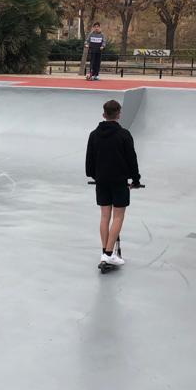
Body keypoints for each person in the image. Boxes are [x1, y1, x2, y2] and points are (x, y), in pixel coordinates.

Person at [86, 99, 140, 267]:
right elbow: (132, 159)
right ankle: (109, 253)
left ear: (104, 115)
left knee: (104, 216)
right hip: (119, 181)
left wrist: (95, 176)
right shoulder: (124, 134)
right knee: (118, 216)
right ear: (119, 114)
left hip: (101, 181)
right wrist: (136, 179)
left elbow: (89, 160)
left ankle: (104, 252)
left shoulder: (94, 135)